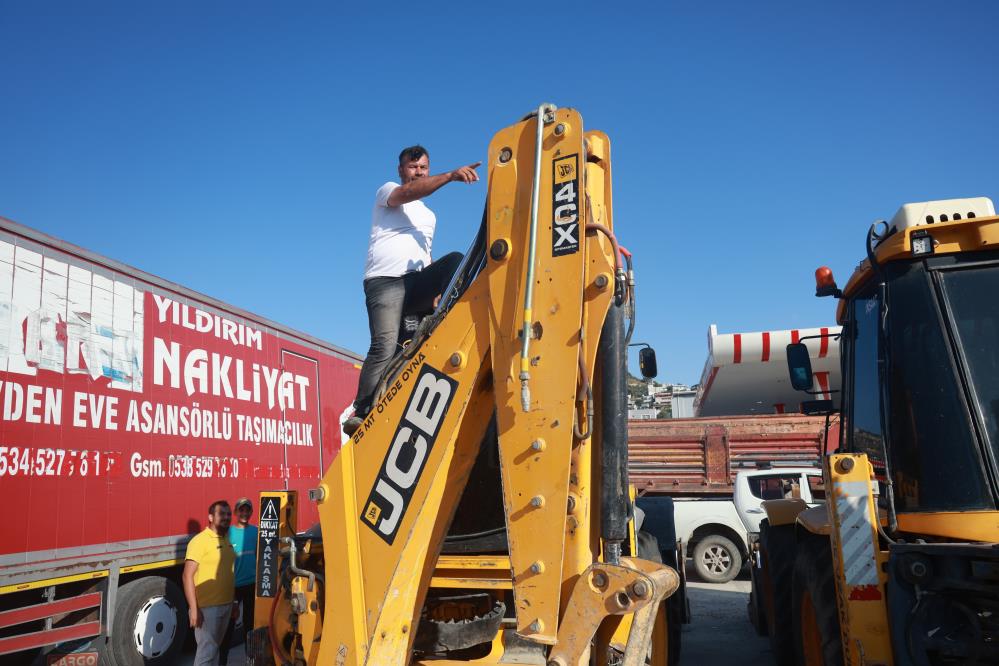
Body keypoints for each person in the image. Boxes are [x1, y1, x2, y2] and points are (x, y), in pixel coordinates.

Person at [344, 145, 481, 435]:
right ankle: (363, 409)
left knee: (455, 261)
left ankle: (450, 318)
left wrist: (434, 291)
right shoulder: (388, 191)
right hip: (384, 282)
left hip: (415, 283)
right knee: (385, 344)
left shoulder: (429, 217)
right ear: (401, 170)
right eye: (412, 167)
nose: (418, 172)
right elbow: (408, 193)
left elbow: (425, 253)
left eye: (423, 168)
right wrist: (450, 176)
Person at [183, 500, 237, 666]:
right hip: (207, 608)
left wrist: (233, 602)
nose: (227, 517)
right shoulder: (199, 541)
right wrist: (193, 609)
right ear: (211, 517)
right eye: (222, 514)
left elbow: (229, 573)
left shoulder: (226, 539)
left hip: (226, 605)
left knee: (214, 650)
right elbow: (187, 576)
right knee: (206, 653)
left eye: (228, 514)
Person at [219, 498, 258, 665]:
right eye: (241, 510)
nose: (244, 513)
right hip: (233, 588)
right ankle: (223, 661)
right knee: (228, 627)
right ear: (236, 513)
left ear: (251, 512)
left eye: (247, 510)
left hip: (252, 585)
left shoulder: (256, 531)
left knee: (250, 627)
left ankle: (249, 660)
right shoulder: (229, 533)